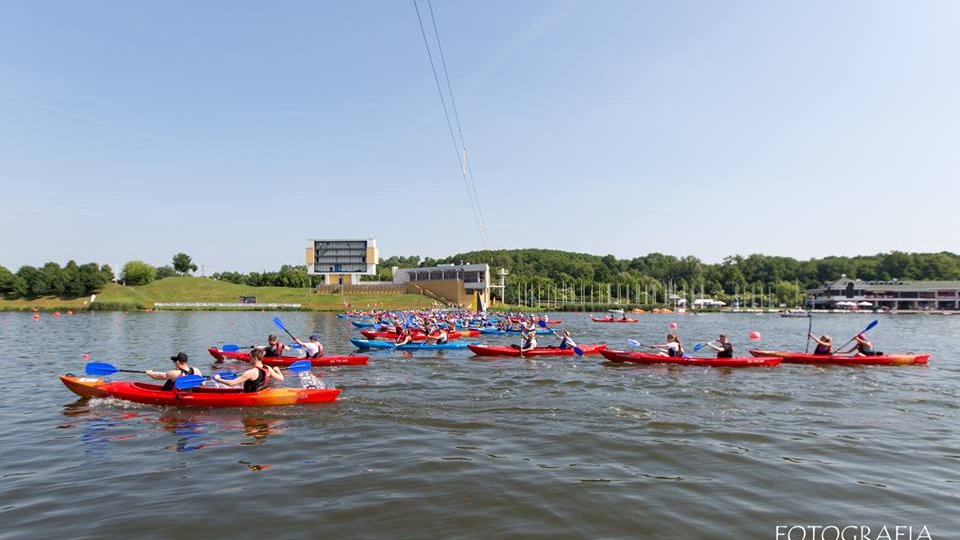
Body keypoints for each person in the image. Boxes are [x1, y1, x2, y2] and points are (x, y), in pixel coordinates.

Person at [214, 348, 284, 392]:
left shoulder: (251, 372)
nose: (249, 359)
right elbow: (281, 378)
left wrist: (218, 379)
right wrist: (277, 370)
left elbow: (232, 383)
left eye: (250, 358)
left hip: (251, 395)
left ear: (255, 358)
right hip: (261, 392)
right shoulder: (268, 368)